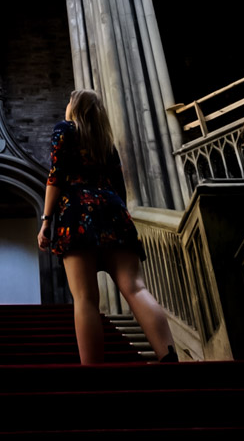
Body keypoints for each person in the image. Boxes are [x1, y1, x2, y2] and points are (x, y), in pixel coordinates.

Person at [38, 88, 178, 365]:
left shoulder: (65, 129)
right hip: (113, 209)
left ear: (75, 107)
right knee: (136, 288)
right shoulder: (105, 140)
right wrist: (119, 215)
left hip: (77, 212)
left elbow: (55, 177)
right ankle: (167, 355)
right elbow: (118, 184)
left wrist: (46, 221)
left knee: (86, 298)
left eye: (69, 101)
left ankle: (94, 371)